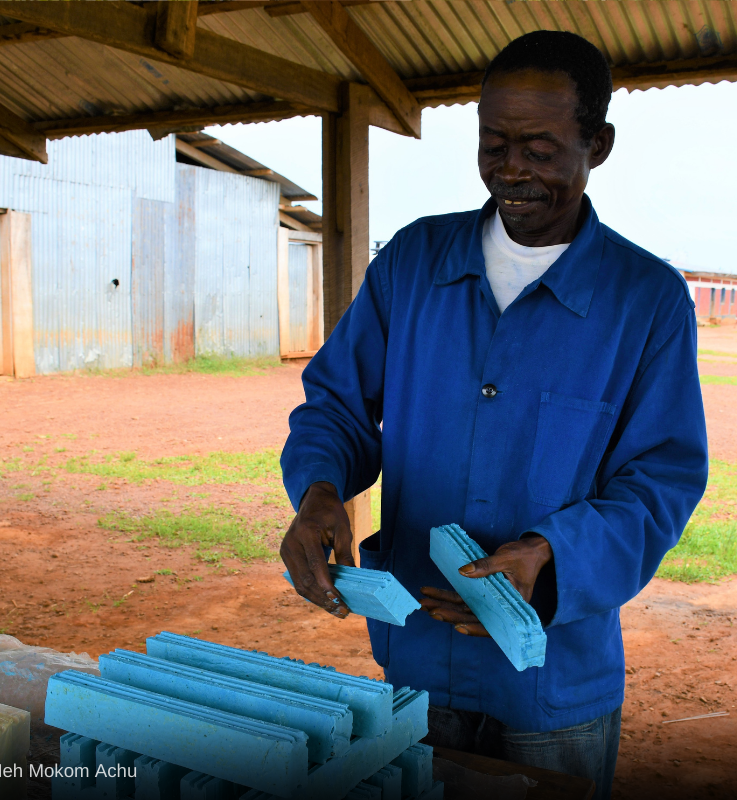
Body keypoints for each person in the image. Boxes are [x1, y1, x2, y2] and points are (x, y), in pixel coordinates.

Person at [279, 30, 708, 799]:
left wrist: (551, 557)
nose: (512, 170)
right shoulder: (413, 264)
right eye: (494, 144)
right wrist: (318, 493)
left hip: (554, 686)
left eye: (540, 149)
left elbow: (661, 480)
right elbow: (338, 405)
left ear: (596, 144)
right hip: (412, 665)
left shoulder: (646, 301)